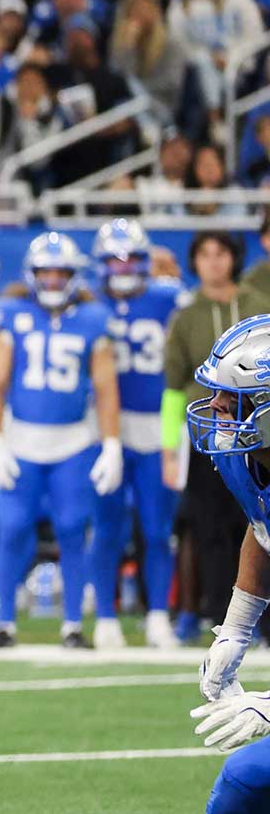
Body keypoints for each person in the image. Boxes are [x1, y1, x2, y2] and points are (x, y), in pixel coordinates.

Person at [0, 232, 123, 650]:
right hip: (22, 439)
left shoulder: (93, 319)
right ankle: (5, 622)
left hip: (73, 442)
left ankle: (73, 625)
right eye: (47, 272)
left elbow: (106, 388)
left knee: (72, 529)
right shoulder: (10, 313)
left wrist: (111, 443)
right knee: (11, 528)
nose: (55, 280)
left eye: (62, 272)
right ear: (32, 273)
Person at [180, 313, 270, 812]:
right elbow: (263, 529)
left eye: (229, 398)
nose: (213, 407)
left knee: (247, 775)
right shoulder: (250, 458)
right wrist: (236, 629)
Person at [87, 220, 188, 650]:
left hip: (156, 425)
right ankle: (106, 617)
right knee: (107, 526)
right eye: (114, 260)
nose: (123, 269)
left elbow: (195, 314)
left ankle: (158, 616)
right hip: (105, 426)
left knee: (157, 528)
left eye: (131, 260)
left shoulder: (169, 298)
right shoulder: (88, 303)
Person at [164, 231, 270, 638]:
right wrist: (168, 448)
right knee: (212, 526)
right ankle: (216, 614)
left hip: (259, 435)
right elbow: (174, 385)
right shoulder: (187, 315)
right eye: (204, 254)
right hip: (230, 441)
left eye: (220, 253)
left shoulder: (258, 305)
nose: (212, 262)